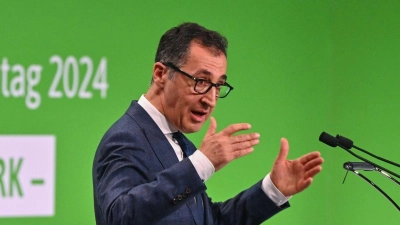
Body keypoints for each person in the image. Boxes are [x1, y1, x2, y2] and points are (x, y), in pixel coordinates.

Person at [92, 22, 323, 225]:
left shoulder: (180, 143)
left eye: (218, 85)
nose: (210, 99)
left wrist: (272, 190)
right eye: (201, 81)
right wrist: (201, 164)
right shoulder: (126, 137)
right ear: (161, 73)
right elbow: (118, 217)